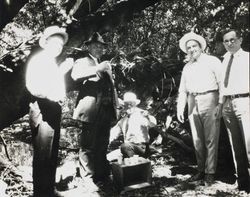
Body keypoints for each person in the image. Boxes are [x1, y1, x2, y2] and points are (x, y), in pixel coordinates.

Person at [26, 26, 72, 196]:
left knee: (51, 154)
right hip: (42, 110)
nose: (58, 47)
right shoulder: (39, 60)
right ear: (45, 43)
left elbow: (56, 91)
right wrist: (62, 71)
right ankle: (41, 193)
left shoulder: (50, 62)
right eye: (55, 43)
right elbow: (36, 89)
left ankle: (48, 190)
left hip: (52, 111)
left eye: (60, 45)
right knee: (43, 155)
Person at [71, 32, 118, 184]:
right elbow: (76, 75)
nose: (99, 49)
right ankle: (88, 178)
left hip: (105, 111)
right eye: (96, 46)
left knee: (103, 143)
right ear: (89, 47)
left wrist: (117, 103)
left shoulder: (105, 64)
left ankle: (102, 175)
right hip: (90, 111)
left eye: (101, 47)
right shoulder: (82, 61)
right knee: (87, 145)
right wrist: (98, 68)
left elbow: (111, 88)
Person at [177, 32, 222, 185]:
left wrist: (221, 103)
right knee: (197, 139)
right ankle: (201, 169)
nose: (191, 49)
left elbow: (222, 83)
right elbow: (182, 89)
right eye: (188, 47)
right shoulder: (187, 67)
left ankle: (210, 172)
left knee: (211, 138)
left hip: (210, 98)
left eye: (194, 46)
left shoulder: (212, 61)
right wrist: (180, 108)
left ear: (201, 47)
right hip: (192, 100)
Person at [220, 29, 250, 193]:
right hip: (227, 104)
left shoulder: (248, 58)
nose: (230, 43)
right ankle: (243, 183)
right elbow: (222, 86)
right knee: (235, 145)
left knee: (249, 144)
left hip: (245, 101)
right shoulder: (224, 60)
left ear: (240, 40)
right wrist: (221, 105)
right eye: (226, 41)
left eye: (232, 40)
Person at [109, 92, 157, 158]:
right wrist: (105, 143)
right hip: (129, 148)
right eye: (127, 104)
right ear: (124, 105)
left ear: (135, 104)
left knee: (125, 146)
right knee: (109, 157)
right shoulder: (123, 120)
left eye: (131, 104)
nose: (129, 106)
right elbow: (113, 133)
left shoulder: (141, 114)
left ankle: (134, 164)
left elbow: (153, 124)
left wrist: (148, 116)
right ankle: (131, 161)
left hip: (142, 147)